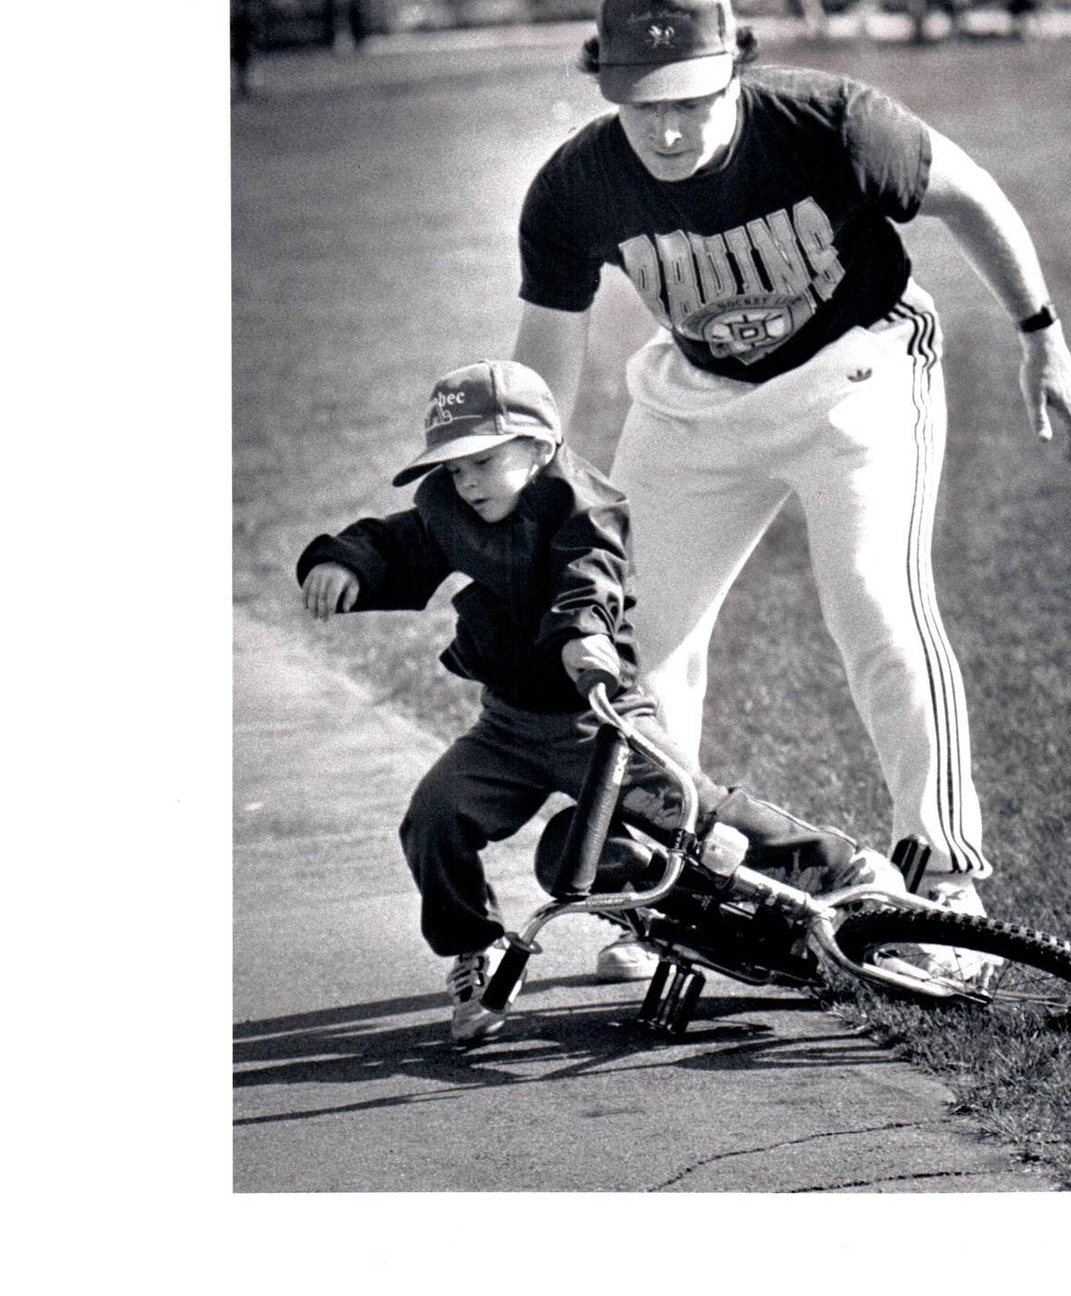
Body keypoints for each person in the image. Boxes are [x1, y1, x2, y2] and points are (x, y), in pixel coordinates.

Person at [510, 0, 1071, 932]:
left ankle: (943, 876)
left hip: (855, 367)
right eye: (643, 103)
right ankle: (665, 880)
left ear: (735, 67)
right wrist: (531, 482)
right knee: (635, 631)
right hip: (696, 394)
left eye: (692, 98)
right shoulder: (575, 184)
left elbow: (967, 192)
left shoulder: (834, 122)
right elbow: (546, 344)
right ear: (607, 85)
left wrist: (1041, 331)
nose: (667, 129)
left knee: (874, 598)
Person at [297, 360, 883, 1047]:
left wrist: (584, 643)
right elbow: (395, 541)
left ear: (539, 445)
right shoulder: (450, 511)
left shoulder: (584, 504)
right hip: (507, 726)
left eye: (483, 461)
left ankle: (841, 863)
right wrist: (342, 562)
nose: (468, 482)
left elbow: (589, 581)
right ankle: (474, 948)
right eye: (455, 469)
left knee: (690, 808)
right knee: (434, 814)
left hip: (595, 716)